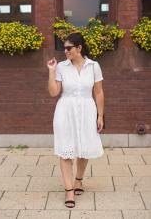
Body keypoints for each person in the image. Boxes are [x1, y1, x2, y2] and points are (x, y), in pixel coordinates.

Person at [47, 32, 104, 208]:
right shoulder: (62, 67)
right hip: (65, 111)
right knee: (65, 151)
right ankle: (69, 190)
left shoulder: (94, 66)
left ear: (79, 48)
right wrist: (51, 71)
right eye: (64, 48)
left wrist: (100, 115)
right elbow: (54, 92)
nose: (66, 51)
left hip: (87, 110)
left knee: (84, 149)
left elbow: (98, 92)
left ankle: (78, 180)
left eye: (69, 48)